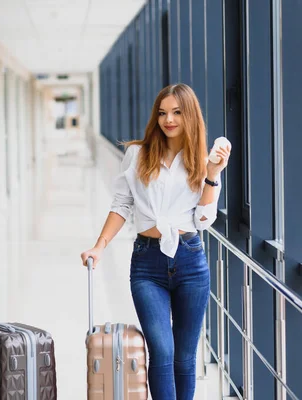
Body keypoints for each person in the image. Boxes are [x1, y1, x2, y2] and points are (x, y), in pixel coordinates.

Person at [81, 83, 230, 399]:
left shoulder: (200, 161)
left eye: (176, 112)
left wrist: (213, 174)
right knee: (162, 351)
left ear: (189, 116)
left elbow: (204, 219)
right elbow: (121, 203)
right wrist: (100, 245)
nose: (169, 119)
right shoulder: (137, 154)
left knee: (185, 357)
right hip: (148, 263)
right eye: (162, 113)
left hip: (190, 260)